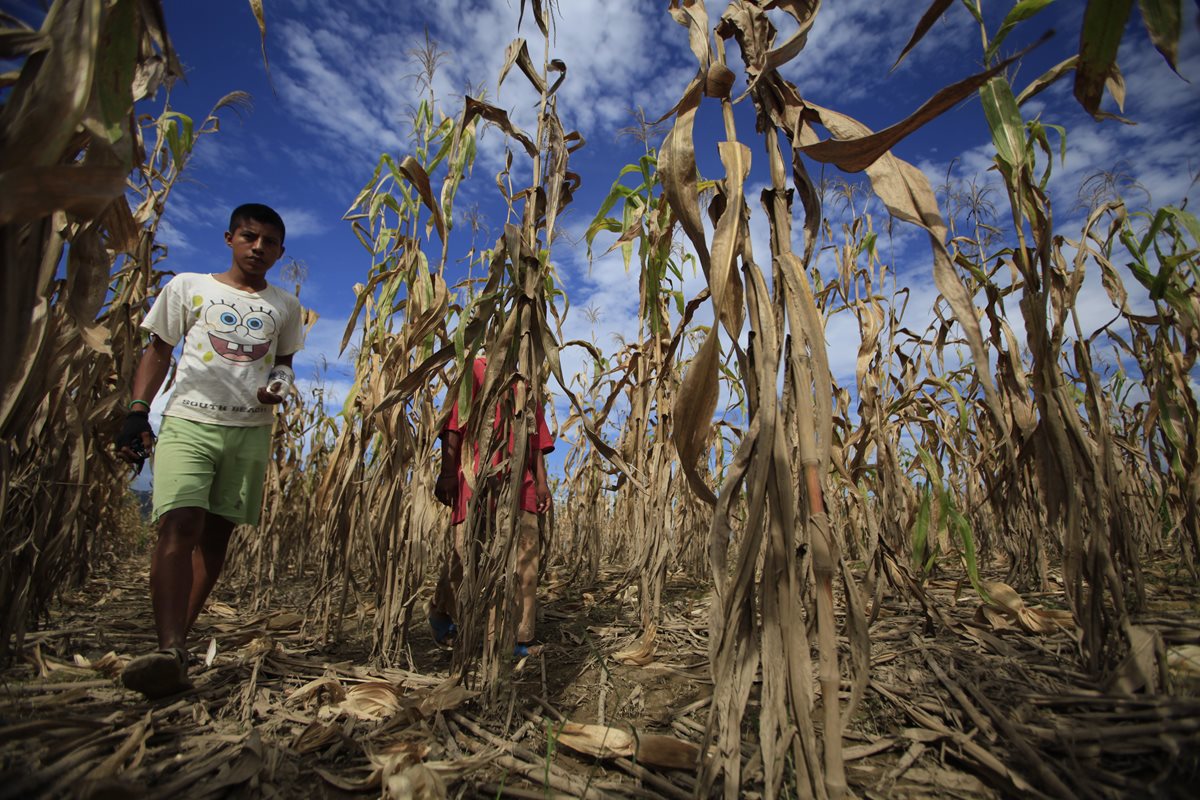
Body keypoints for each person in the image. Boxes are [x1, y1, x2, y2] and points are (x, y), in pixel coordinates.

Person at [115, 203, 304, 698]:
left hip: (249, 430)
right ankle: (170, 646)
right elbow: (158, 350)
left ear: (281, 252)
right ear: (229, 238)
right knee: (180, 523)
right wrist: (139, 409)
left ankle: (176, 643)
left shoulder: (284, 306)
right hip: (189, 421)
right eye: (249, 237)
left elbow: (283, 365)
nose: (258, 247)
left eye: (269, 242)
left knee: (216, 536)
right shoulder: (189, 288)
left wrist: (278, 388)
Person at [430, 357, 555, 658]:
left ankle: (517, 638)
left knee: (526, 557)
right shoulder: (475, 369)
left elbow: (535, 439)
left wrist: (540, 482)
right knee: (466, 557)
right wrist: (448, 472)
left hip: (519, 482)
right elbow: (454, 425)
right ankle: (444, 610)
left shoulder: (528, 382)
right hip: (475, 477)